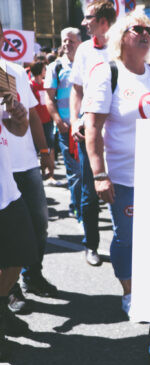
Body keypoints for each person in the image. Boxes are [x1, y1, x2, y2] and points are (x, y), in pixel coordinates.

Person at [82, 11, 150, 365]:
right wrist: (100, 174)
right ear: (122, 34)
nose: (145, 34)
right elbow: (93, 128)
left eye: (149, 30)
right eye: (138, 28)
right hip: (123, 178)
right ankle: (129, 289)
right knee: (128, 239)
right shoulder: (109, 73)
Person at [1, 24, 58, 311]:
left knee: (38, 224)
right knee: (8, 238)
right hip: (3, 170)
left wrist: (45, 151)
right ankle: (11, 294)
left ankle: (32, 277)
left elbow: (30, 116)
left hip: (24, 165)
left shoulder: (13, 72)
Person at [70, 0, 116, 266]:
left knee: (123, 189)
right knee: (90, 192)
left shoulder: (122, 45)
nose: (84, 23)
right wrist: (76, 120)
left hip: (119, 131)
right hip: (91, 131)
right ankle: (91, 245)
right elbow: (77, 89)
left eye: (88, 18)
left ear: (103, 21)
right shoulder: (85, 49)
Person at [0, 57, 36, 359]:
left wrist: (18, 113)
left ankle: (1, 308)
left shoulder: (3, 82)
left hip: (7, 191)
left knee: (21, 252)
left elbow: (18, 130)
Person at [45, 27, 82, 221]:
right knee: (75, 173)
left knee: (89, 172)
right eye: (64, 41)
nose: (67, 44)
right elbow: (49, 98)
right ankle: (78, 208)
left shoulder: (87, 64)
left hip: (87, 128)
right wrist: (58, 121)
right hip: (66, 130)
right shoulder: (55, 67)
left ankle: (82, 204)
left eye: (71, 40)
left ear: (80, 42)